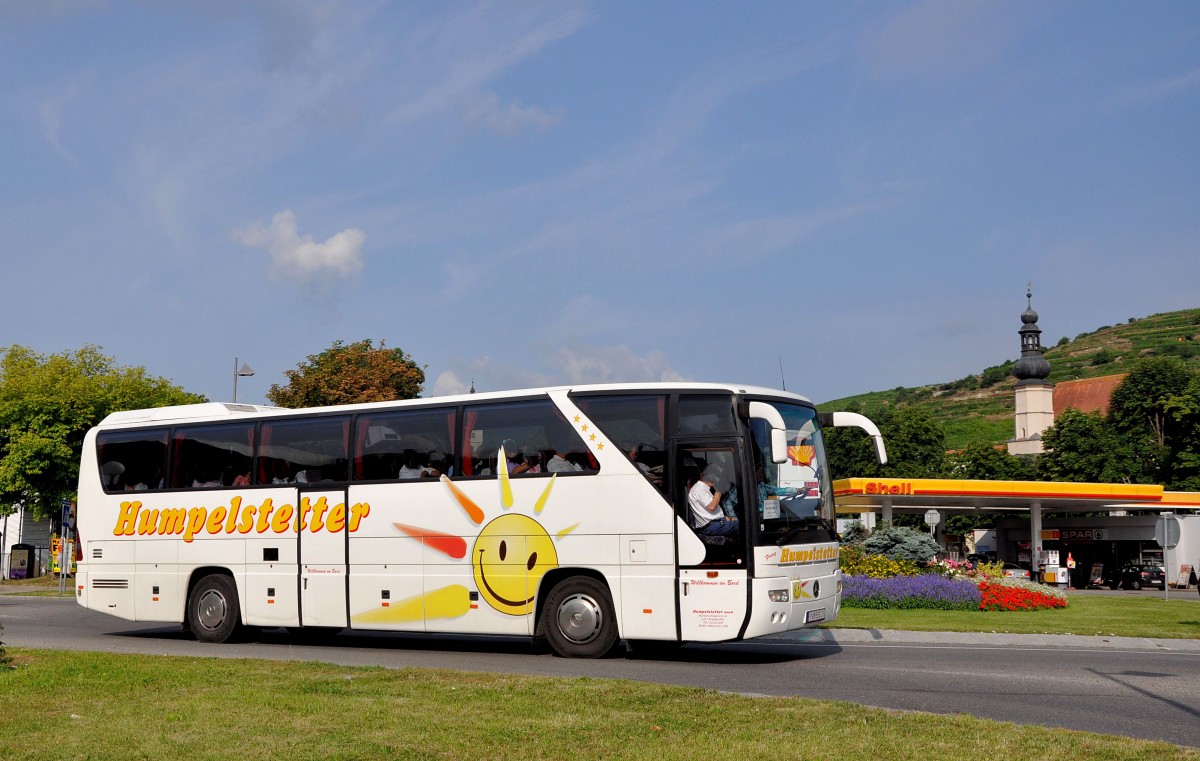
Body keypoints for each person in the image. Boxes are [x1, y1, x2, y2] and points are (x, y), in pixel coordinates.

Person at [689, 467, 738, 537]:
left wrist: (726, 518)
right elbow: (712, 507)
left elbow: (710, 513)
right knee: (743, 525)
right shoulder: (699, 489)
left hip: (716, 523)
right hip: (711, 527)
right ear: (702, 475)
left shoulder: (704, 489)